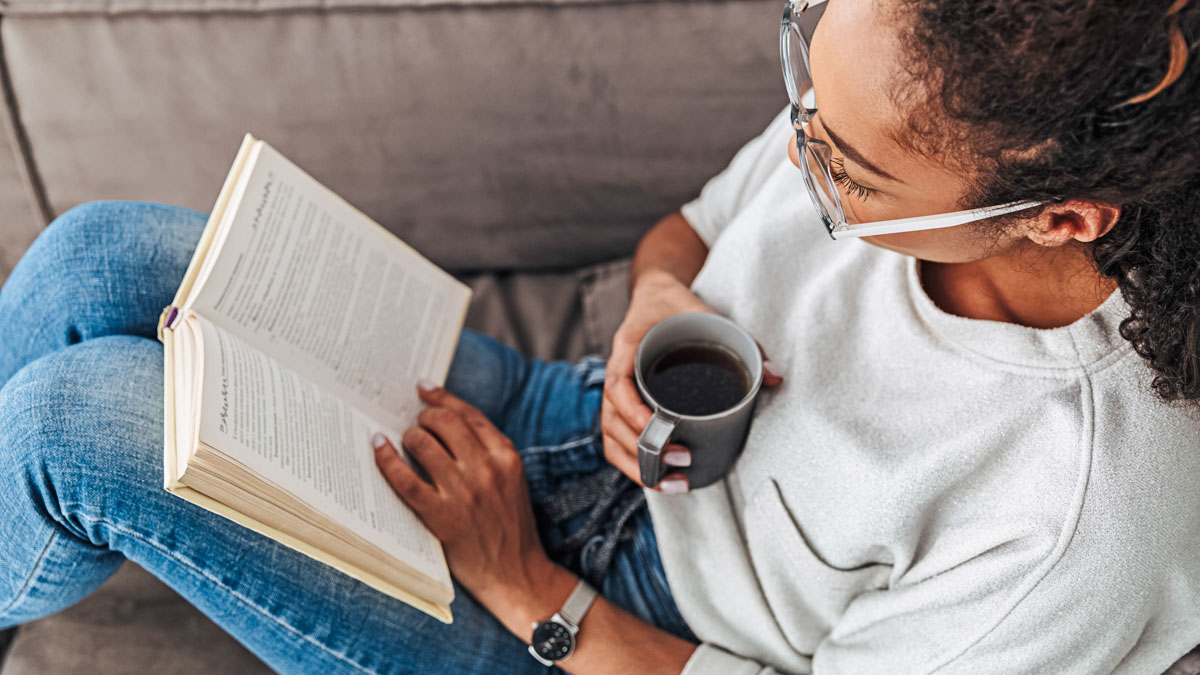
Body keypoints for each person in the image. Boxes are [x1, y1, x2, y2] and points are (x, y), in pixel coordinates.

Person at [1, 0, 1198, 672]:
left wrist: (517, 577)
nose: (799, 151)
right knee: (94, 253)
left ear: (1058, 217)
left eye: (846, 171)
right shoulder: (901, 93)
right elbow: (688, 228)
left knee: (76, 423)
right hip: (569, 421)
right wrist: (658, 303)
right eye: (807, 96)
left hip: (608, 630)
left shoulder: (1080, 518)